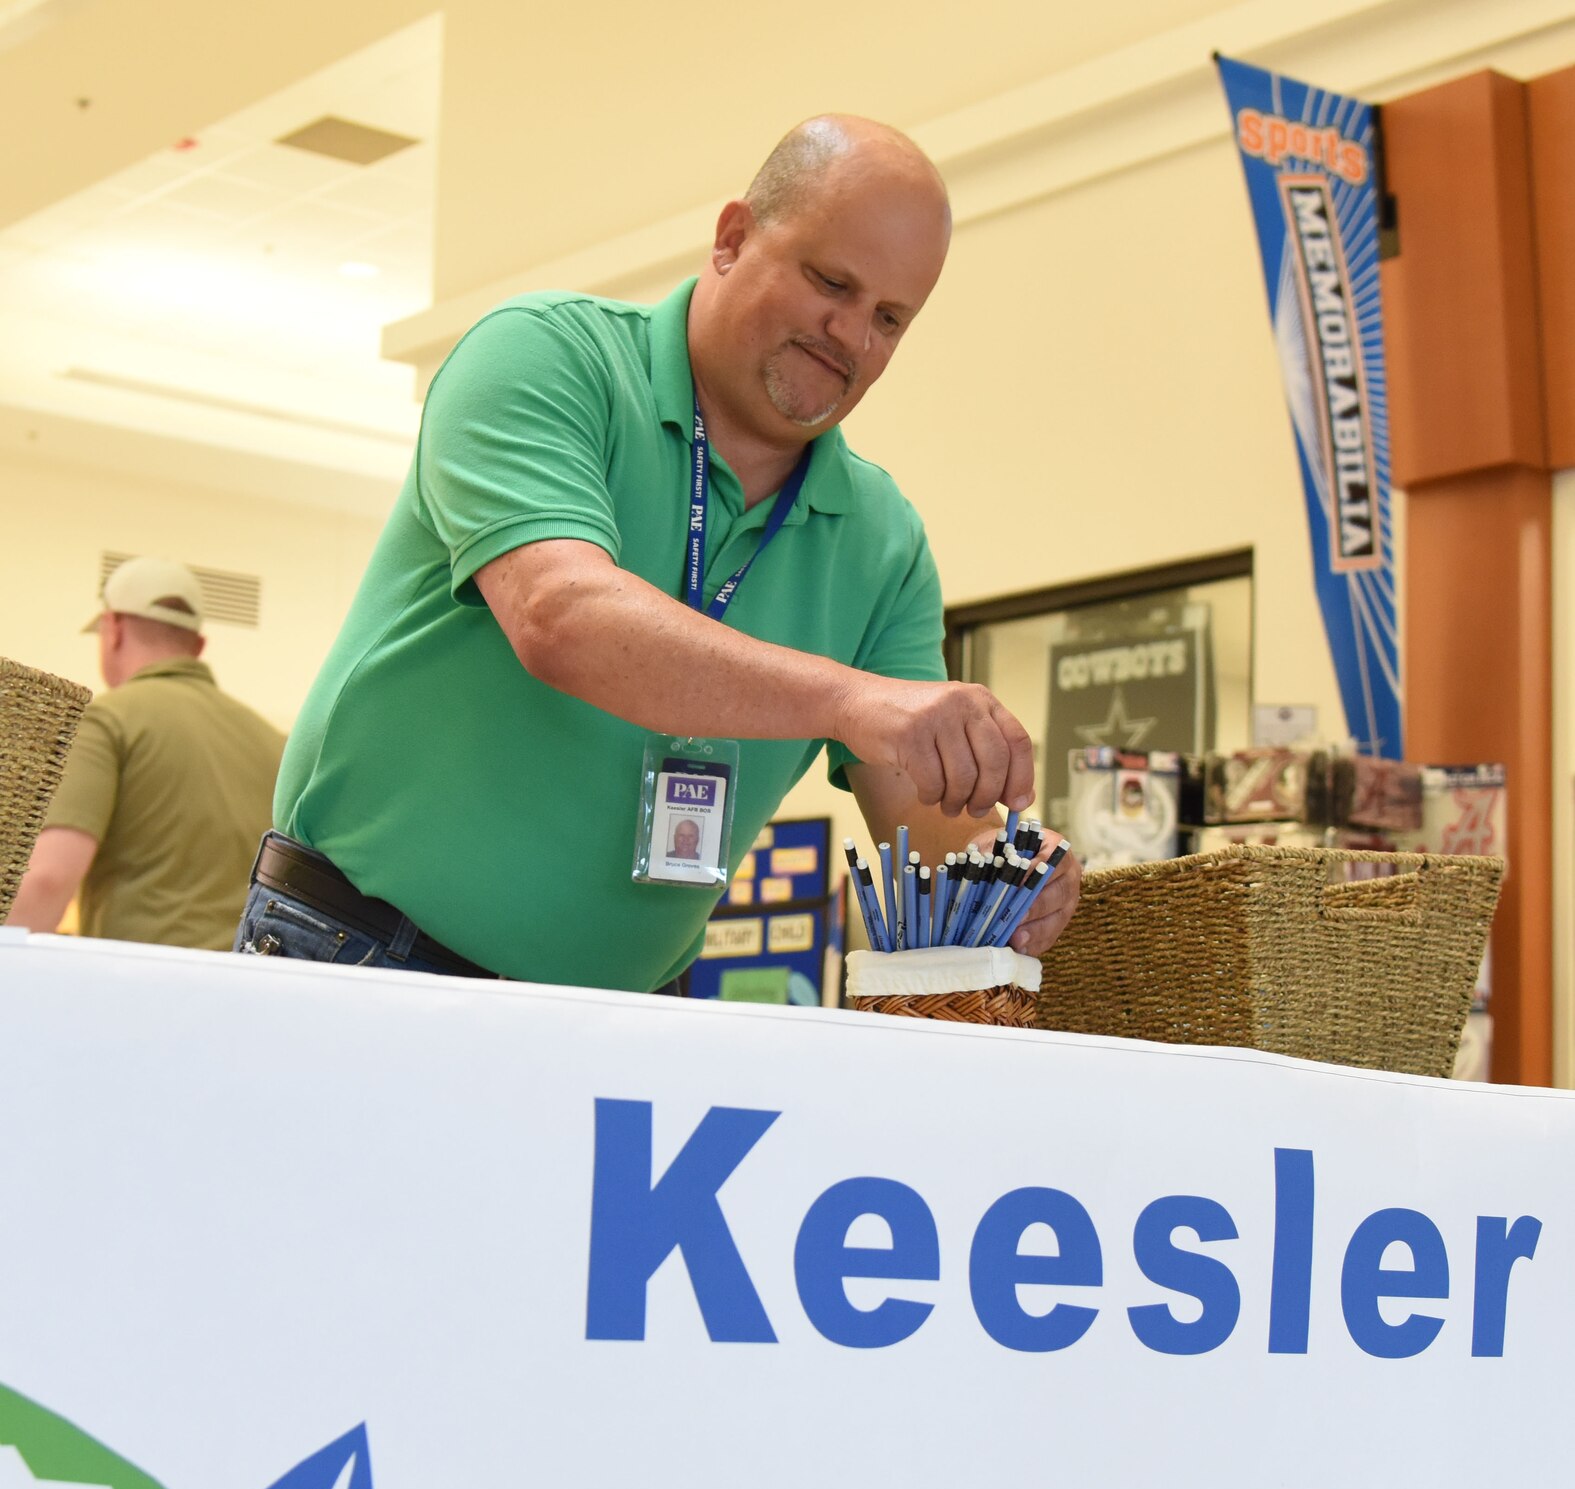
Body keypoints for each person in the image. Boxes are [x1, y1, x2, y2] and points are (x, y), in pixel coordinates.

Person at [238, 113, 1080, 989]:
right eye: (831, 282)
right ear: (731, 239)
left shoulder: (881, 539)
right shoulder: (544, 357)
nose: (852, 337)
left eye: (891, 318)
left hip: (631, 1017)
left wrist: (1005, 866)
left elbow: (917, 815)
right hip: (359, 957)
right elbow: (560, 616)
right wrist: (852, 700)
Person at [9, 557, 285, 951]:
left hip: (137, 993)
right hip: (245, 989)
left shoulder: (107, 720)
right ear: (199, 645)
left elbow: (48, 879)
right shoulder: (273, 743)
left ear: (114, 629)